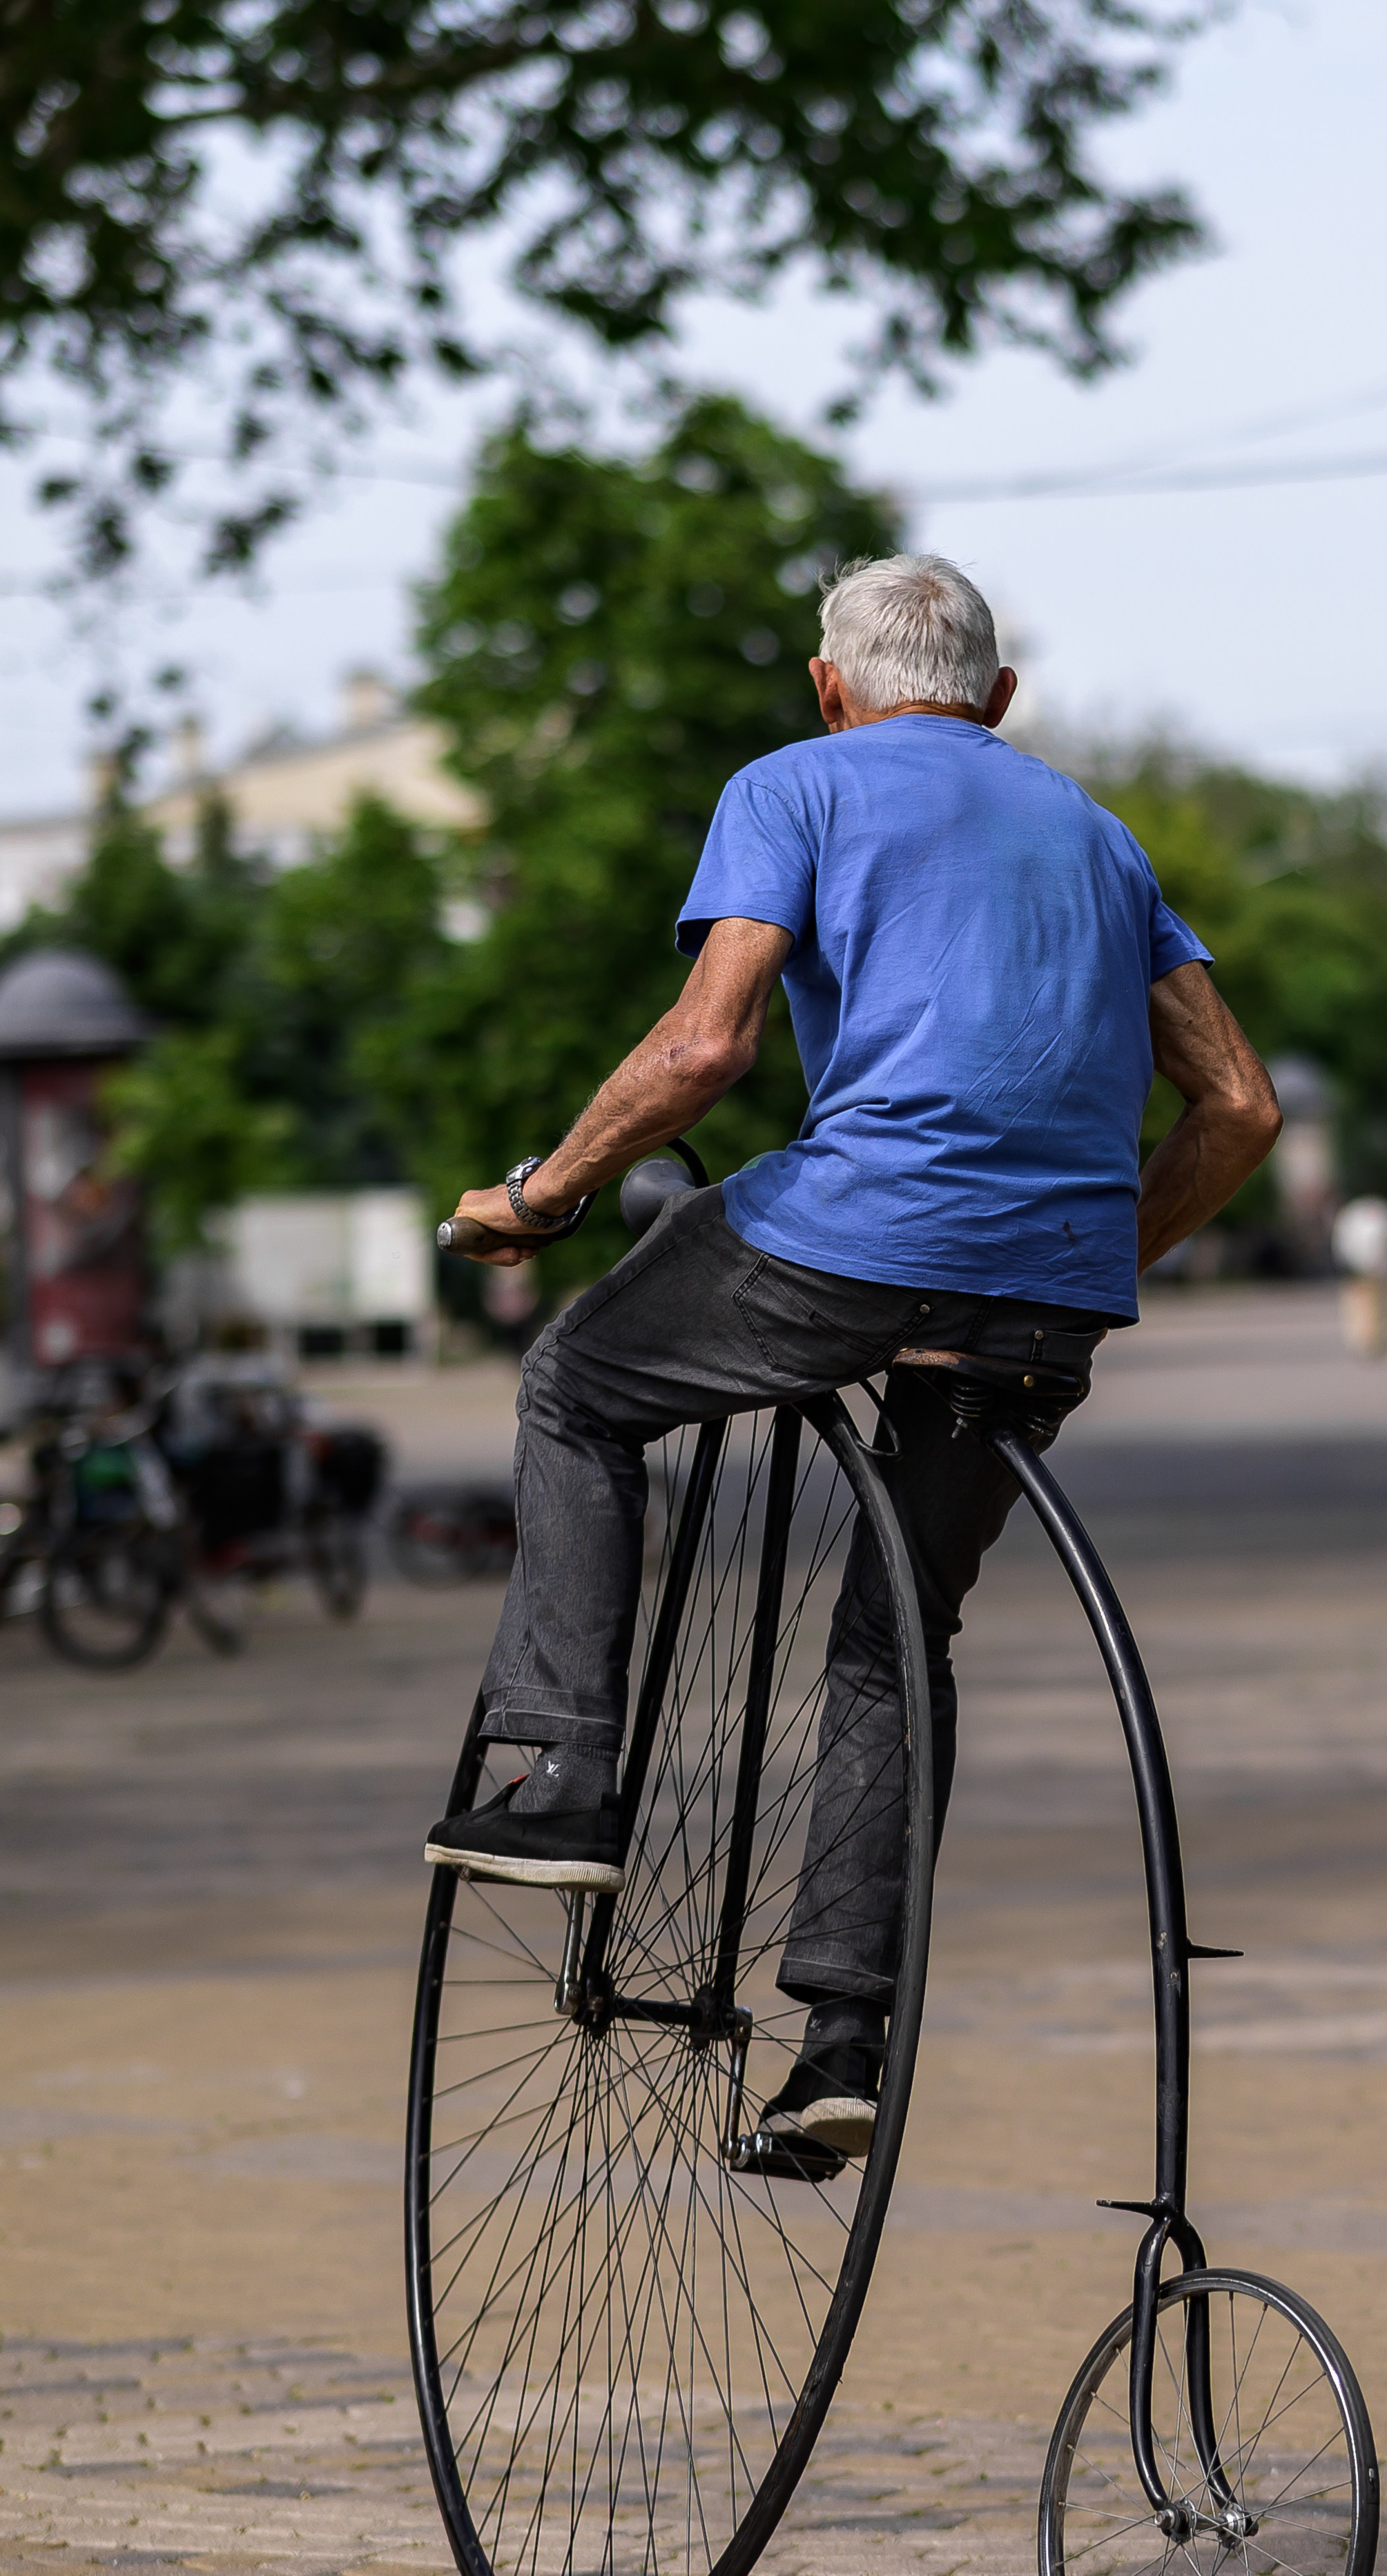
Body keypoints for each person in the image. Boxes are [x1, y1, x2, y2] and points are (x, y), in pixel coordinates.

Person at [425, 553, 1281, 2162]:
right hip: (1035, 1300)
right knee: (894, 1634)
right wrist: (1085, 1252)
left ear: (832, 688)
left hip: (849, 1241)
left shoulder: (791, 783)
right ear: (997, 701)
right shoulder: (1098, 835)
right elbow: (1237, 1107)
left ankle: (560, 1774)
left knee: (578, 1382)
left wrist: (541, 1194)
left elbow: (703, 1045)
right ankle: (843, 2040)